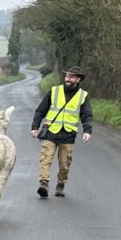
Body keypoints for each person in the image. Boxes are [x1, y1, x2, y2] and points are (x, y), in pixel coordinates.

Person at [31, 67, 92, 197]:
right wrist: (35, 127)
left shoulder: (83, 95)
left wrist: (87, 130)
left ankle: (60, 184)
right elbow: (40, 110)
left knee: (65, 164)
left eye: (72, 77)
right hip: (50, 132)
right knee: (45, 159)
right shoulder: (54, 91)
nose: (68, 79)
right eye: (67, 76)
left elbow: (86, 115)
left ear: (78, 79)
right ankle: (44, 184)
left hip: (68, 135)